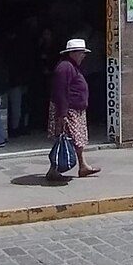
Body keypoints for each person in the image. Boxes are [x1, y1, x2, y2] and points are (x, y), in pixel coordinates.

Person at [44, 37, 101, 183]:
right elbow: (60, 92)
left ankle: (82, 166)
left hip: (74, 110)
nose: (83, 56)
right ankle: (54, 169)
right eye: (81, 53)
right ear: (73, 53)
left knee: (76, 140)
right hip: (68, 111)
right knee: (65, 139)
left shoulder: (71, 66)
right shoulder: (65, 68)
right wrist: (62, 115)